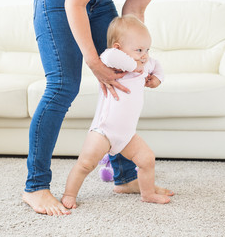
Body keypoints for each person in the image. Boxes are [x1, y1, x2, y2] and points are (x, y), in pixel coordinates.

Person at [23, 0, 173, 216]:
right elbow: (75, 4)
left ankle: (126, 178)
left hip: (101, 3)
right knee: (63, 86)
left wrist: (140, 55)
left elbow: (135, 11)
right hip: (59, 2)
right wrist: (95, 63)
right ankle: (35, 186)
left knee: (122, 77)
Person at [61, 15, 171, 209]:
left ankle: (148, 194)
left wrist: (157, 80)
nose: (144, 55)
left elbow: (157, 66)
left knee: (147, 159)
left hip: (127, 135)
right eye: (138, 50)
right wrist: (134, 65)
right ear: (120, 48)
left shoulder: (145, 63)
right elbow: (108, 55)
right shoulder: (113, 62)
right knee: (86, 164)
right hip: (103, 131)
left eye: (147, 49)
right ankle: (69, 194)